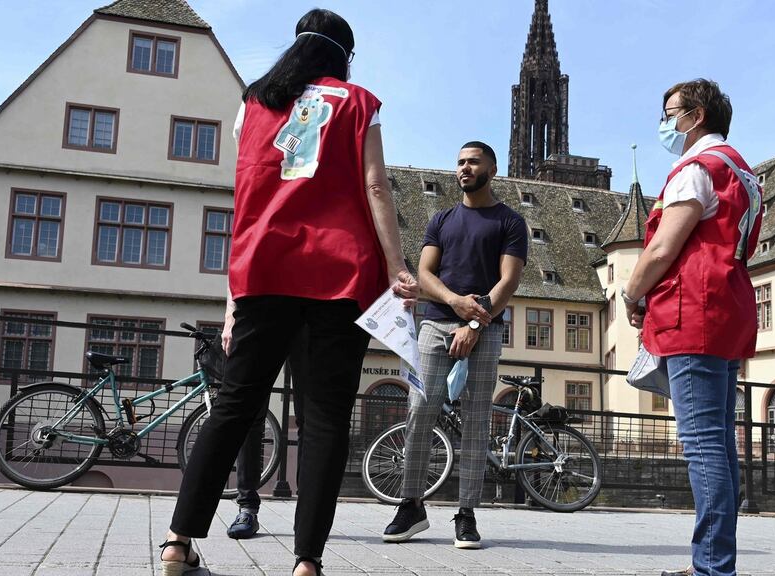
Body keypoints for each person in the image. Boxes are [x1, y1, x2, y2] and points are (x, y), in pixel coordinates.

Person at [158, 9, 418, 576]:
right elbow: (375, 184)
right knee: (324, 417)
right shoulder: (357, 103)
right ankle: (305, 563)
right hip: (338, 276)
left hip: (263, 272)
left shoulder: (252, 104)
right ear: (343, 57)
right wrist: (397, 268)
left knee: (232, 407)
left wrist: (232, 300)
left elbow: (247, 196)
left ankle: (179, 541)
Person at [622, 79, 762, 576]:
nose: (665, 123)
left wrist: (632, 292)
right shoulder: (741, 170)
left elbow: (663, 248)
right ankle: (714, 561)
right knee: (720, 442)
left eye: (670, 112)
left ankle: (712, 568)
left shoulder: (694, 170)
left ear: (696, 115)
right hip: (727, 307)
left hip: (693, 308)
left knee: (702, 443)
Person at [382, 142, 527, 549]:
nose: (464, 168)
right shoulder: (441, 219)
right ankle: (411, 506)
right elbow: (424, 273)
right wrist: (453, 302)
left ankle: (466, 514)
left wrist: (475, 322)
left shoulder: (510, 222)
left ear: (492, 169)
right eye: (460, 162)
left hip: (484, 331)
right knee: (419, 410)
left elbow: (509, 282)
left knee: (477, 420)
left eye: (473, 161)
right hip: (435, 326)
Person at [226, 328, 309, 540]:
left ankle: (309, 512)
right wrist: (231, 317)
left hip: (313, 315)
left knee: (310, 420)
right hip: (268, 310)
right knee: (252, 415)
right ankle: (247, 508)